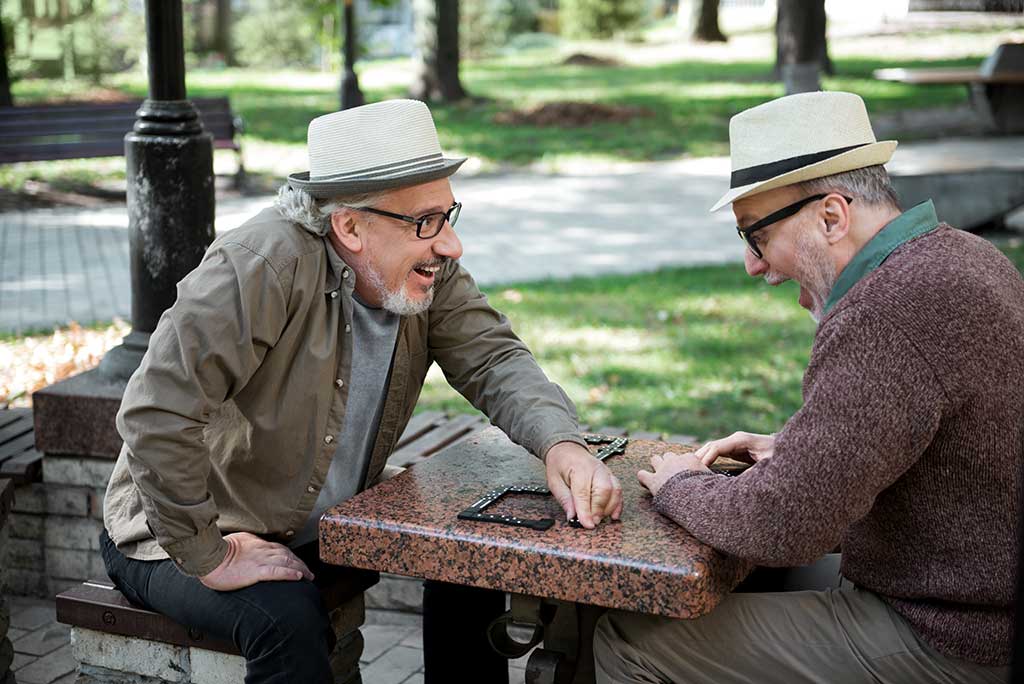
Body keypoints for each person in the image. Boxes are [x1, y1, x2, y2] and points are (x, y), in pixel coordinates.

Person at [100, 99, 623, 684]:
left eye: (449, 214)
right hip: (171, 536)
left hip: (312, 522)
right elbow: (154, 413)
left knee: (470, 552)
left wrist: (563, 445)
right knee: (285, 622)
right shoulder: (261, 266)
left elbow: (494, 357)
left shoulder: (428, 269)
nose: (450, 244)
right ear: (349, 225)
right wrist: (211, 556)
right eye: (425, 221)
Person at [594, 91, 1024, 683]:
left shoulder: (884, 311)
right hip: (971, 601)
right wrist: (795, 448)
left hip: (953, 638)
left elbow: (783, 525)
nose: (753, 266)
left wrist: (681, 484)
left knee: (630, 639)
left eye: (755, 236)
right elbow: (932, 429)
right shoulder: (966, 256)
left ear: (831, 216)